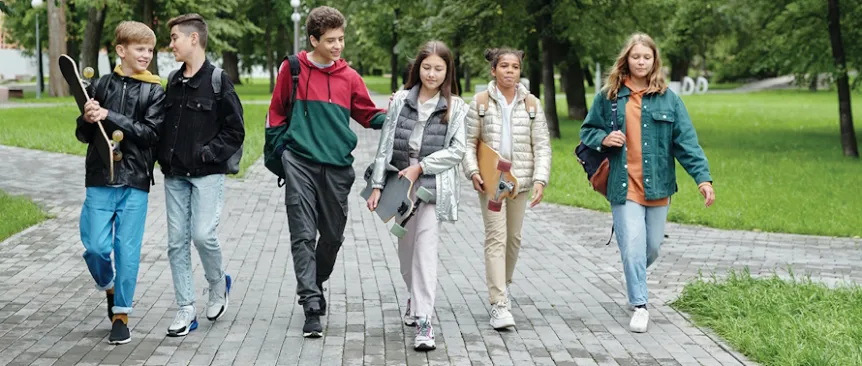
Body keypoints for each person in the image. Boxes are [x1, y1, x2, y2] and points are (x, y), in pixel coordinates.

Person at [579, 33, 715, 333]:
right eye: (636, 57)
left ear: (655, 61)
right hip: (623, 184)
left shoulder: (669, 99)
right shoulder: (609, 96)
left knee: (651, 248)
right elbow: (587, 130)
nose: (641, 62)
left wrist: (702, 178)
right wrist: (603, 138)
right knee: (633, 246)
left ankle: (633, 274)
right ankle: (640, 305)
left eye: (647, 57)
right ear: (626, 59)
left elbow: (686, 143)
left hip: (658, 185)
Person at [266, 6, 386, 338]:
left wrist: (399, 113)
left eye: (341, 39)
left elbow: (367, 113)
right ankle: (311, 306)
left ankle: (315, 281)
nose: (337, 46)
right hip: (299, 162)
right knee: (303, 234)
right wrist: (282, 154)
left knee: (332, 236)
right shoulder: (292, 70)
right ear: (314, 39)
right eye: (331, 40)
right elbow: (275, 114)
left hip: (337, 167)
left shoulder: (349, 77)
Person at [366, 41, 468, 351]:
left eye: (439, 68)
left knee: (425, 252)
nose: (432, 74)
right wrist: (378, 185)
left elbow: (458, 150)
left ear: (448, 71)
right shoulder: (399, 101)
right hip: (400, 182)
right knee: (405, 254)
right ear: (417, 68)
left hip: (431, 185)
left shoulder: (457, 106)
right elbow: (385, 145)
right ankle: (413, 295)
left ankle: (425, 319)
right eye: (427, 67)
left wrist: (422, 166)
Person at [76, 20, 165, 345]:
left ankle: (121, 314)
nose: (146, 55)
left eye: (150, 50)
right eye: (140, 49)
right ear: (121, 50)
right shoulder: (101, 85)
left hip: (135, 180)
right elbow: (83, 134)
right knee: (96, 247)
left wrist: (109, 116)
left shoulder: (155, 90)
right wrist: (87, 118)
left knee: (127, 250)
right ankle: (109, 286)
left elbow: (150, 135)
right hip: (100, 177)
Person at [159, 13, 244, 337]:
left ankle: (217, 284)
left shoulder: (218, 81)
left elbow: (235, 131)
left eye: (175, 38)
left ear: (194, 39)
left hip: (207, 175)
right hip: (175, 176)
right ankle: (185, 309)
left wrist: (207, 153)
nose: (171, 45)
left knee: (202, 235)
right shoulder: (173, 81)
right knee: (175, 244)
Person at [462, 48, 552, 330]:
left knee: (513, 239)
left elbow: (542, 146)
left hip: (520, 182)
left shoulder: (532, 105)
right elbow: (467, 143)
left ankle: (503, 283)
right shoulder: (479, 103)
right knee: (496, 238)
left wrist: (540, 179)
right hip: (491, 182)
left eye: (515, 66)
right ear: (494, 70)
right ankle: (499, 303)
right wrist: (473, 171)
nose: (510, 71)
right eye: (504, 66)